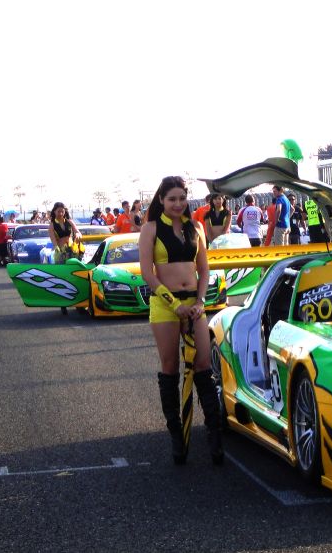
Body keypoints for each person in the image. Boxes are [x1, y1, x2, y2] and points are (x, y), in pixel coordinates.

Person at [138, 176, 222, 466]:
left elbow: (204, 269)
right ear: (161, 199)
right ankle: (177, 434)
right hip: (166, 306)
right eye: (172, 199)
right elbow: (147, 273)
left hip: (194, 306)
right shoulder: (150, 228)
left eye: (182, 198)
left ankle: (214, 432)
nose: (177, 204)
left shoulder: (196, 227)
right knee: (170, 367)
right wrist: (174, 305)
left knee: (203, 366)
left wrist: (200, 302)